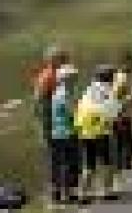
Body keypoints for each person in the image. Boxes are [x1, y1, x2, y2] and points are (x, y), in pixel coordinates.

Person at [76, 65, 121, 203]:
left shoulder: (88, 90)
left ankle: (83, 193)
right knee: (107, 162)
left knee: (88, 164)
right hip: (101, 130)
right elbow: (113, 112)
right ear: (109, 77)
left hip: (84, 130)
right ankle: (106, 191)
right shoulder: (108, 91)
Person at [32, 44, 68, 197]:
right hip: (51, 121)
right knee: (55, 155)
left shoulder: (56, 74)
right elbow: (39, 101)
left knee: (59, 155)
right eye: (63, 59)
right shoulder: (48, 76)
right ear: (53, 60)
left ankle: (61, 188)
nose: (66, 61)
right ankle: (56, 190)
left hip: (56, 120)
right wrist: (43, 124)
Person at [49, 64, 80, 203]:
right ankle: (67, 194)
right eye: (73, 77)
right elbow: (71, 113)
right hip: (67, 132)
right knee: (68, 163)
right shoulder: (65, 94)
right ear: (66, 79)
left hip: (58, 132)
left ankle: (61, 192)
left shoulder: (57, 92)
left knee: (61, 163)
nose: (75, 79)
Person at [112, 53, 132, 172]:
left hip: (123, 112)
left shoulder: (122, 76)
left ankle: (123, 163)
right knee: (126, 138)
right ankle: (125, 163)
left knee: (124, 138)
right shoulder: (122, 77)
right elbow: (117, 96)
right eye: (131, 63)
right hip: (121, 112)